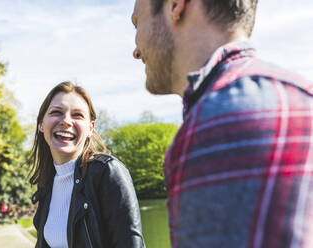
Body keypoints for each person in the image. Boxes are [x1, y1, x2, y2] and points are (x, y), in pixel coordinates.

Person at [132, 0, 313, 247]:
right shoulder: (296, 93)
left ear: (176, 6)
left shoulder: (222, 121)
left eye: (136, 23)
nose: (136, 50)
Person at [28, 81, 145, 248]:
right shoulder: (47, 182)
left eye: (77, 115)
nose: (66, 121)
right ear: (41, 124)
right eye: (56, 112)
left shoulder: (107, 172)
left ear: (90, 128)